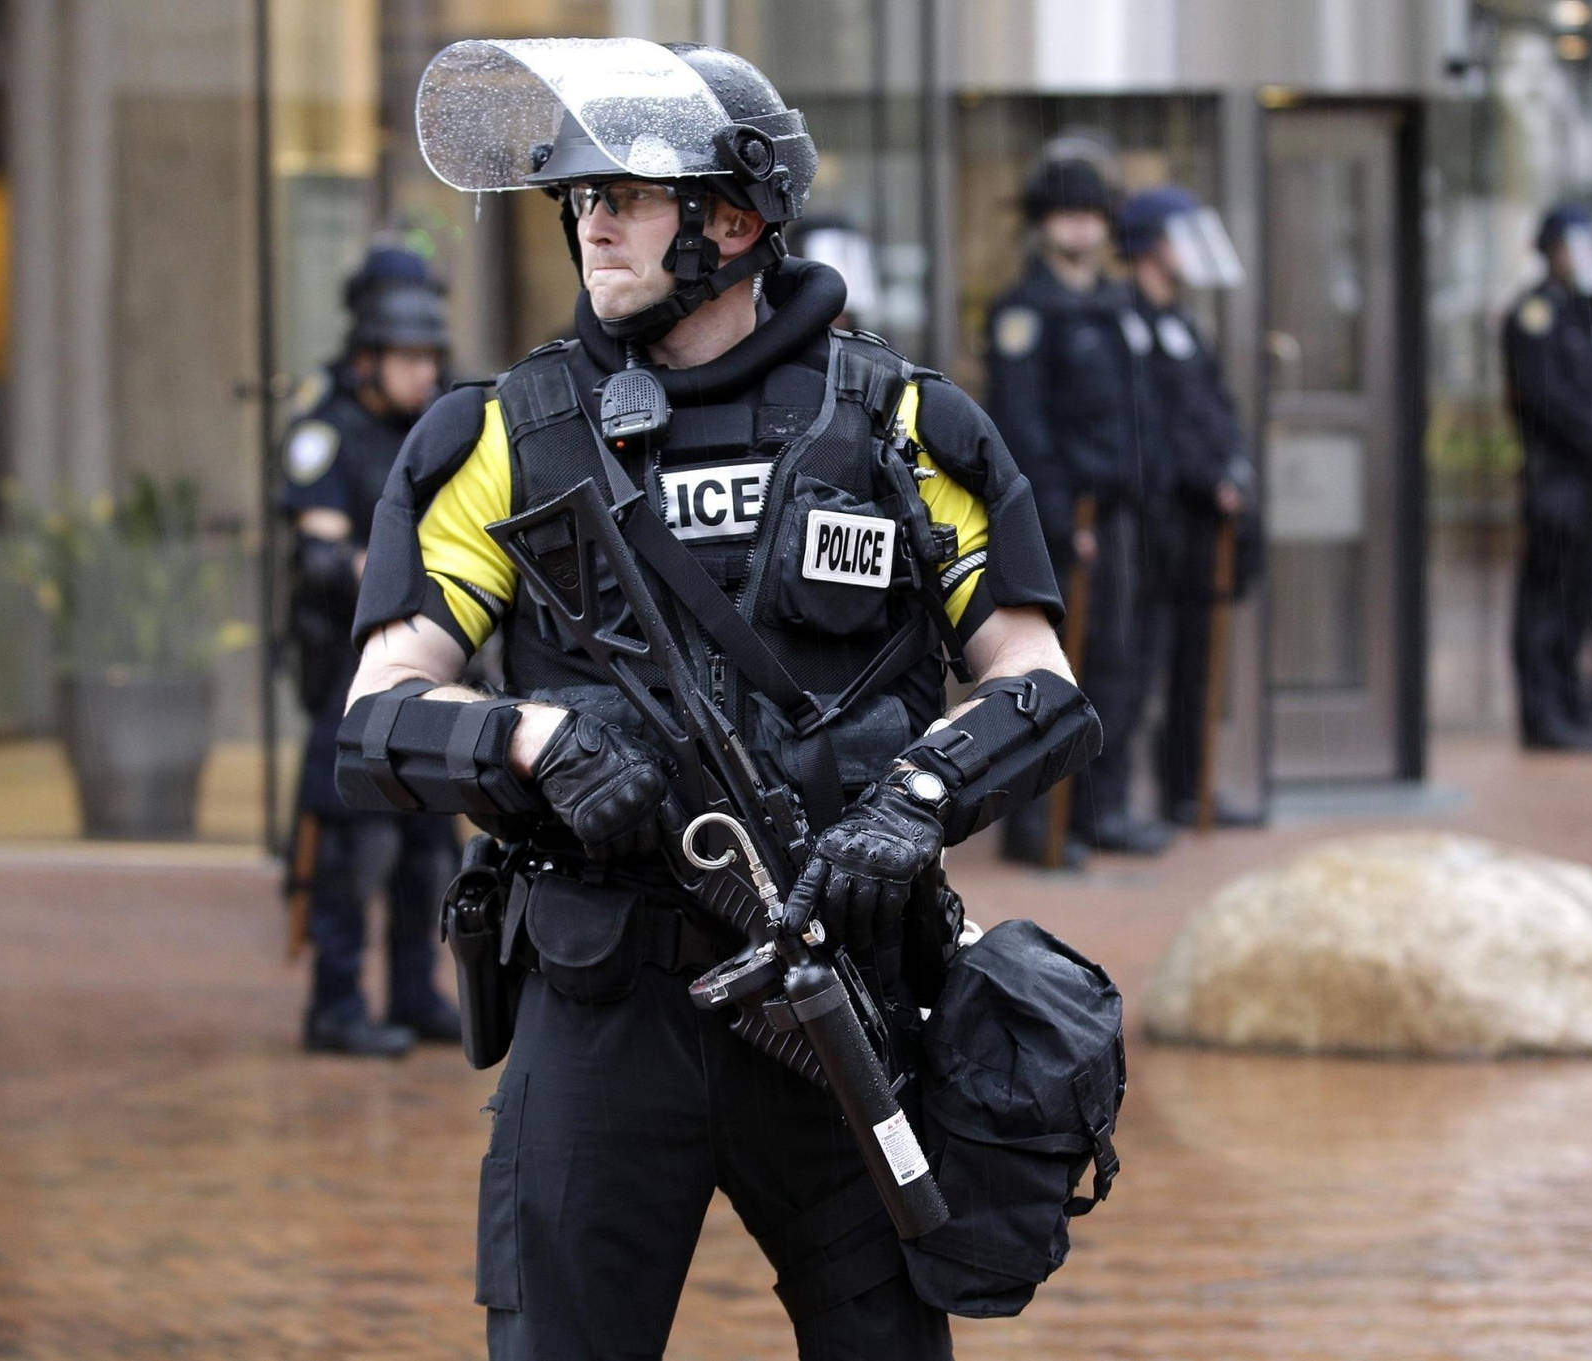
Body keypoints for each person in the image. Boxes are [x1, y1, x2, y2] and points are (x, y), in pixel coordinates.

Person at [335, 38, 1096, 1359]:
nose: (592, 221)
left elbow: (1037, 683)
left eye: (626, 193)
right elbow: (380, 707)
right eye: (578, 197)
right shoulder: (502, 438)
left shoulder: (908, 427)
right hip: (603, 1000)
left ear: (732, 222)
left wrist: (914, 803)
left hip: (839, 999)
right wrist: (537, 738)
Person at [283, 244, 462, 1057]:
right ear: (369, 356)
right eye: (408, 357)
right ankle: (334, 1004)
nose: (423, 372)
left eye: (431, 356)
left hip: (425, 667)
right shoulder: (326, 431)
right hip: (347, 677)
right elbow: (322, 558)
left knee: (427, 845)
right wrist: (402, 575)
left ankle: (417, 993)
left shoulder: (439, 427)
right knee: (354, 850)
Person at [983, 154, 1171, 859]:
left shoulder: (1119, 307)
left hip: (1120, 518)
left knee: (1118, 666)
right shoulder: (1025, 312)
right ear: (1041, 224)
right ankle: (1038, 826)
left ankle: (1101, 809)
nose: (1081, 228)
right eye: (1067, 214)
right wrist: (1060, 519)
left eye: (1091, 215)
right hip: (1065, 526)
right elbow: (1023, 429)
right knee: (1055, 674)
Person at [1113, 185, 1264, 825]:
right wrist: (1202, 474)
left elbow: (1211, 409)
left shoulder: (1181, 321)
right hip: (1158, 520)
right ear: (1149, 247)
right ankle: (1124, 798)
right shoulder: (1126, 320)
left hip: (1205, 520)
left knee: (1198, 663)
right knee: (1139, 659)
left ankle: (1189, 788)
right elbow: (1151, 426)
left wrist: (1231, 466)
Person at [1502, 203, 1592, 751]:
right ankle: (1543, 714)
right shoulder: (1534, 316)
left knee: (1580, 598)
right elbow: (1544, 398)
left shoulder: (1585, 315)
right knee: (1547, 604)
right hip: (1556, 479)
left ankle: (1571, 704)